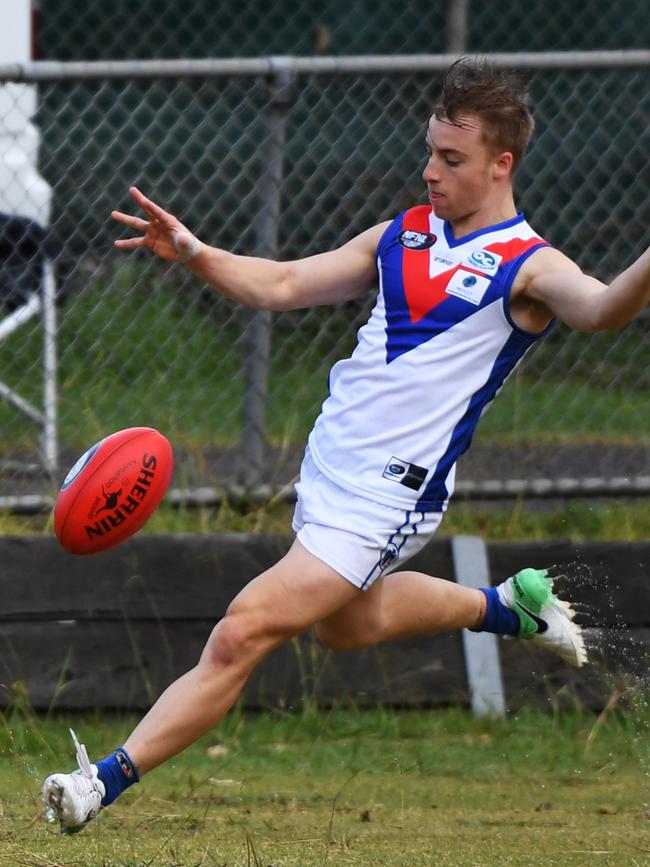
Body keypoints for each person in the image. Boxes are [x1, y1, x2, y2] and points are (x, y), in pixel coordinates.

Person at [42, 58, 649, 834]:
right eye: (429, 151)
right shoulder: (404, 233)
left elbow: (601, 310)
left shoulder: (530, 266)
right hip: (329, 469)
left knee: (242, 628)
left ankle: (101, 781)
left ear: (503, 164)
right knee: (346, 627)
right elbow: (287, 283)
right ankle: (509, 606)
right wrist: (196, 252)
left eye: (451, 159)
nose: (430, 170)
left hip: (389, 495)